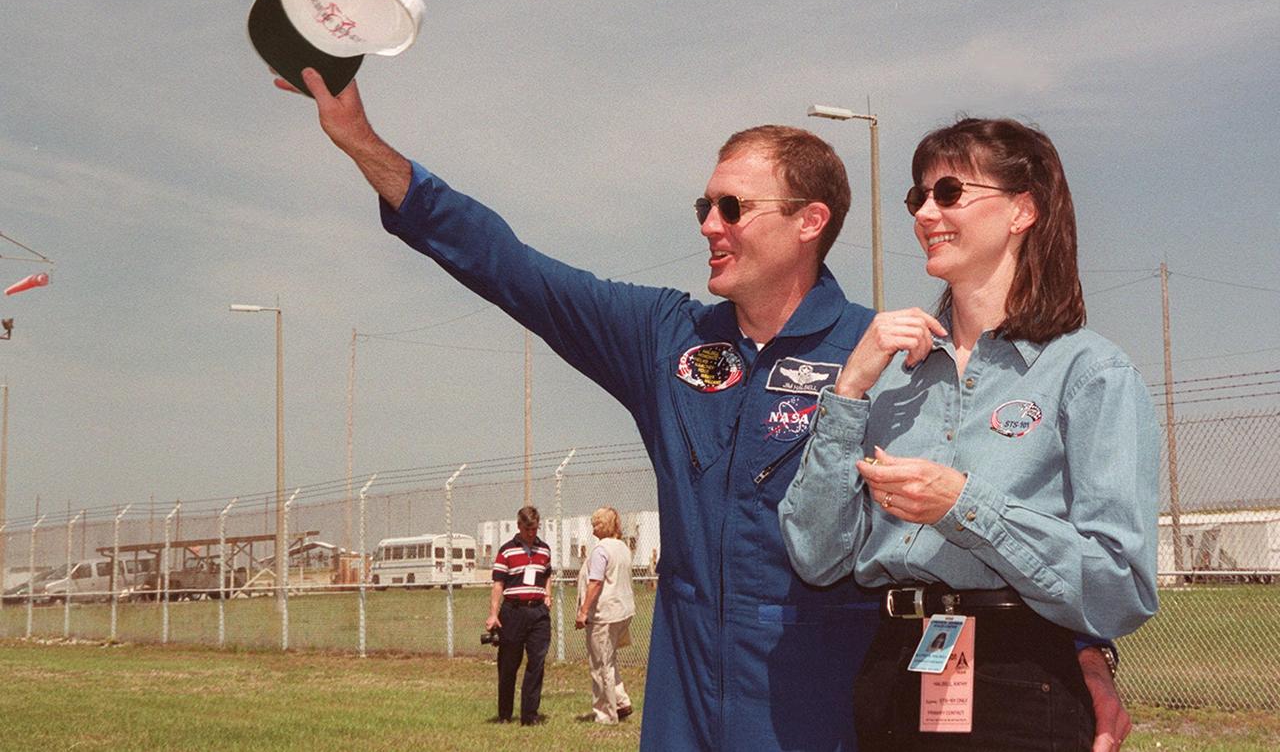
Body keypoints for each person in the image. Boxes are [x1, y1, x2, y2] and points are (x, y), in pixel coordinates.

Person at [279, 69, 1134, 751]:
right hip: (687, 698)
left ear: (810, 221)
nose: (709, 226)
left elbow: (988, 507)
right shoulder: (665, 337)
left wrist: (1081, 652)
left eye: (732, 207)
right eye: (704, 207)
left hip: (828, 703)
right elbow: (511, 266)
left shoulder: (883, 354)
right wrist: (364, 144)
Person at [779, 118, 1160, 751]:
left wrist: (965, 506)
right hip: (893, 676)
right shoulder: (893, 378)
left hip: (1021, 683)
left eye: (949, 192)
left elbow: (1118, 587)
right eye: (917, 197)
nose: (926, 213)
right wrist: (847, 393)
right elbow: (816, 557)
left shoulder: (1090, 373)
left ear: (1022, 210)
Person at [486, 505, 553, 725]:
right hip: (513, 612)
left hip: (538, 614)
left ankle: (529, 716)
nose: (531, 533)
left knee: (537, 662)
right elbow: (498, 585)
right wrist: (493, 614)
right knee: (508, 665)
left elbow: (547, 575)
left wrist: (547, 596)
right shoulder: (506, 551)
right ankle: (505, 714)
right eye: (527, 529)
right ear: (519, 526)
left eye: (535, 529)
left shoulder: (544, 550)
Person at [575, 506, 636, 724]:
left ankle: (605, 714)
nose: (593, 531)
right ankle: (621, 701)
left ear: (604, 526)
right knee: (609, 661)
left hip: (604, 614)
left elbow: (596, 582)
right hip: (623, 611)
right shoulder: (622, 548)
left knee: (600, 665)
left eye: (595, 525)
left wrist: (583, 611)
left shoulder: (601, 550)